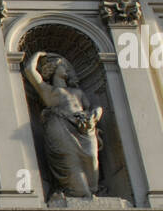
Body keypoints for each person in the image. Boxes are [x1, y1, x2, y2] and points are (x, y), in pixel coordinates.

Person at [22, 51, 103, 198]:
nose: (67, 70)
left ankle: (91, 191)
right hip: (60, 125)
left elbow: (92, 106)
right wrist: (38, 55)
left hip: (82, 127)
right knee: (69, 160)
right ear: (53, 68)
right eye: (63, 66)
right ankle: (80, 193)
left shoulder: (77, 92)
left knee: (91, 158)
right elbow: (29, 70)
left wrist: (95, 113)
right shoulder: (48, 90)